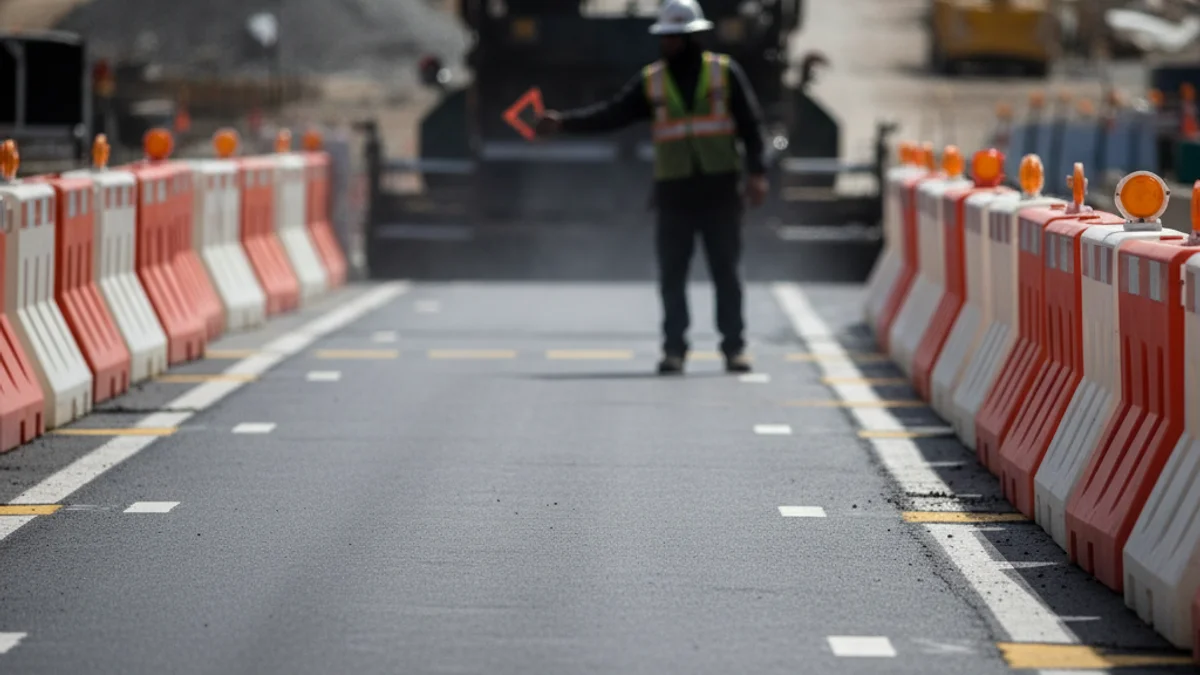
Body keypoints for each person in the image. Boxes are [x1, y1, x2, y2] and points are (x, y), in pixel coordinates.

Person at [534, 0, 768, 375]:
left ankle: (734, 348)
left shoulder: (724, 74)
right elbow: (612, 114)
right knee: (672, 277)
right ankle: (674, 350)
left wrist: (757, 173)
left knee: (725, 273)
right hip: (674, 194)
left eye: (675, 37)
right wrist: (564, 123)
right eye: (665, 37)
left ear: (693, 38)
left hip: (720, 190)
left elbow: (752, 126)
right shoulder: (652, 80)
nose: (667, 43)